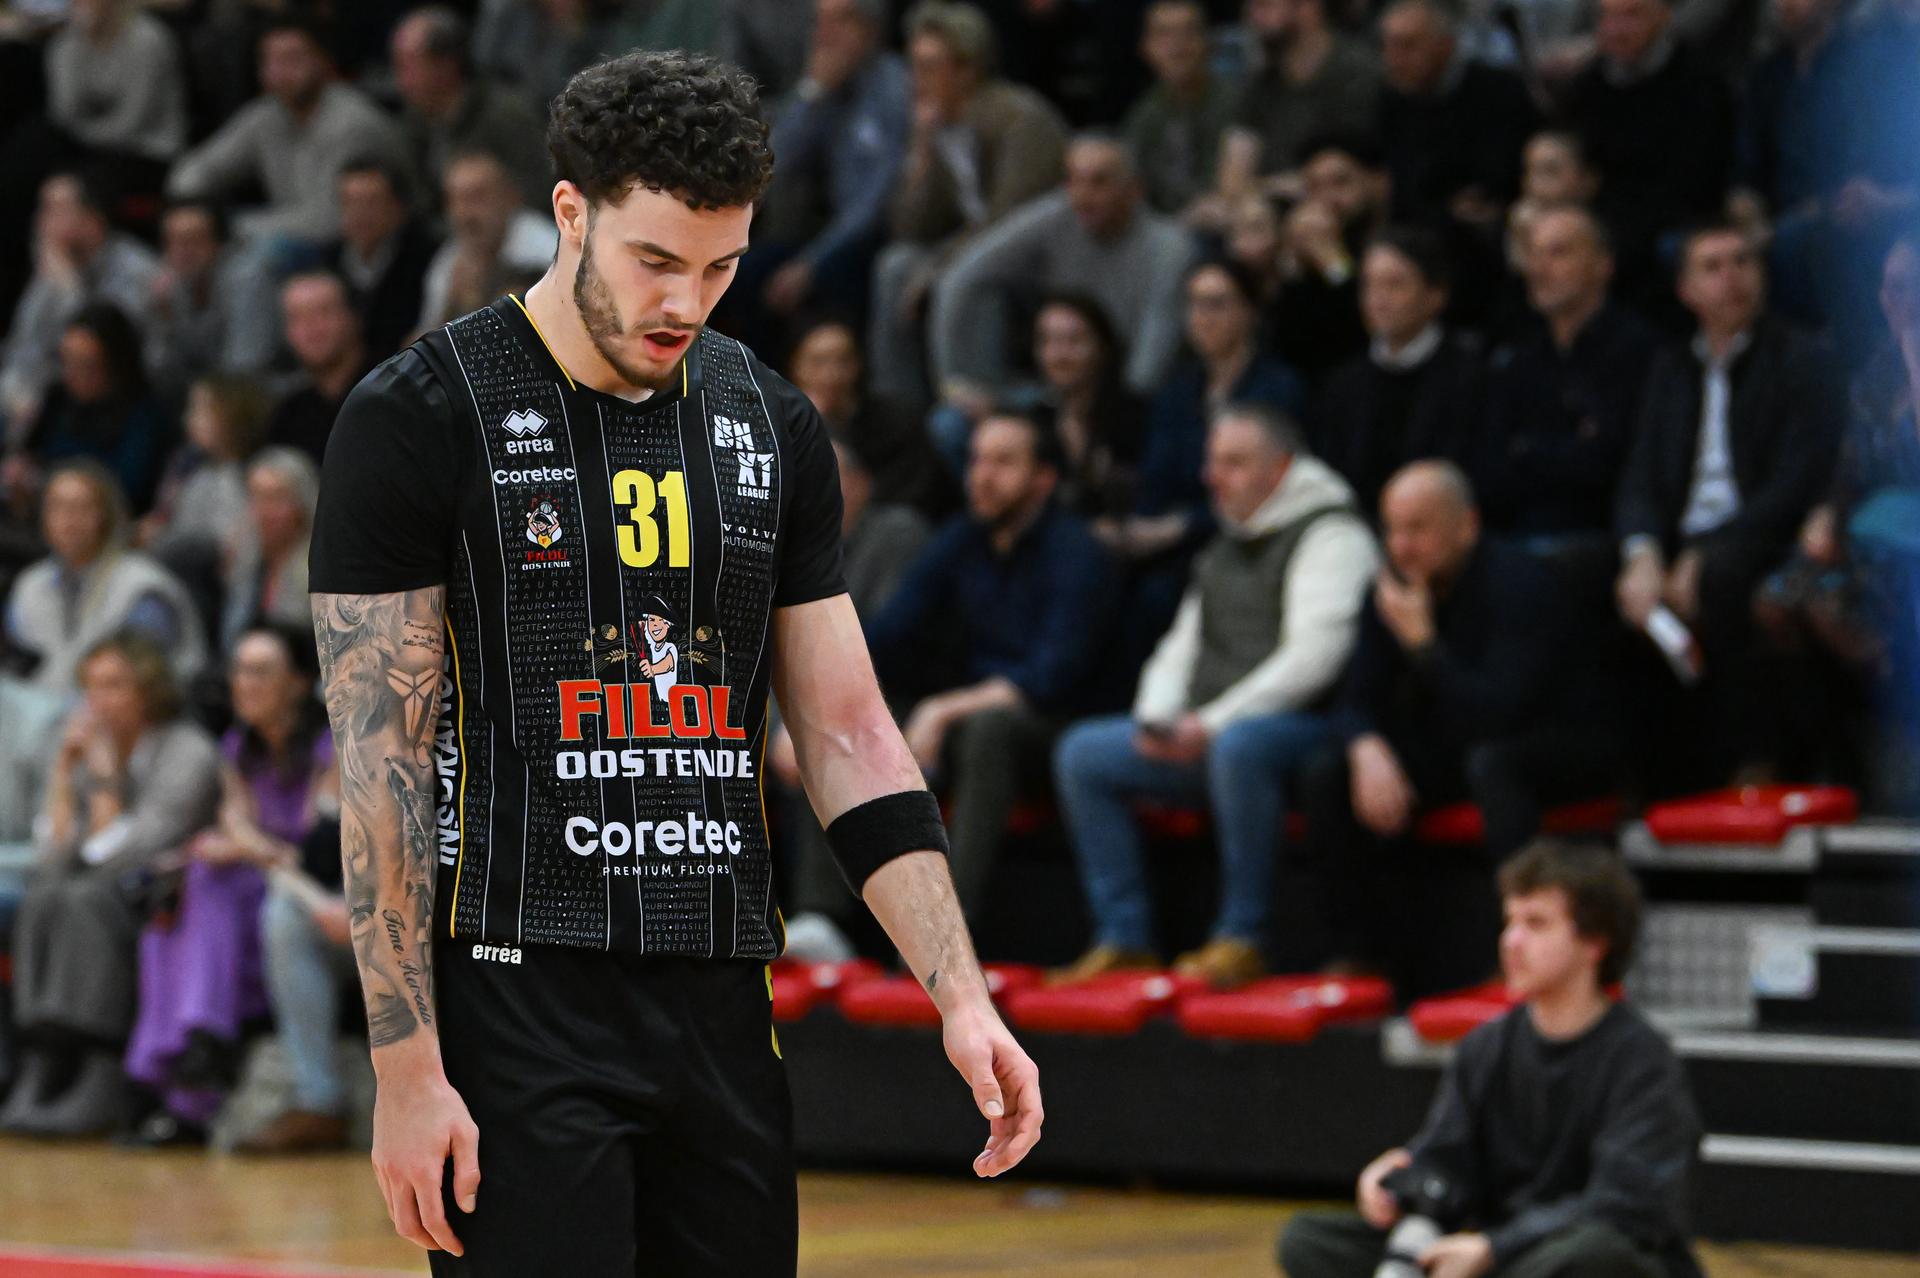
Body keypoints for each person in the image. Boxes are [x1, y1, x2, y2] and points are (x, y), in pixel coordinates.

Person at [306, 51, 1042, 1274]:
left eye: (720, 267)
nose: (684, 303)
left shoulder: (769, 422)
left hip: (716, 994)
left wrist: (962, 998)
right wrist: (404, 1068)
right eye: (655, 260)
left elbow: (852, 734)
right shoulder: (419, 414)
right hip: (517, 997)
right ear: (571, 213)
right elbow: (381, 766)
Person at [1052, 404, 1376, 988]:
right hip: (1213, 732)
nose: (1211, 476)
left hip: (1308, 733)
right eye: (1211, 460)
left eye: (1232, 462)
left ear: (1279, 470)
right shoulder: (1227, 542)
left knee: (1242, 748)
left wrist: (1213, 724)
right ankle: (1125, 937)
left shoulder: (1333, 534)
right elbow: (1181, 646)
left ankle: (1243, 935)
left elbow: (1316, 658)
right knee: (1084, 752)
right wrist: (1158, 720)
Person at [1278, 840, 1703, 1278]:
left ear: (1594, 942)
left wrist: (1495, 1248)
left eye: (1536, 924)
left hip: (1576, 1255)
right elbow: (1449, 1163)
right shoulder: (1486, 1046)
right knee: (1310, 1241)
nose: (1511, 942)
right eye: (1509, 922)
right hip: (1502, 1253)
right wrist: (1399, 1178)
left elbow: (1625, 1207)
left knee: (1592, 1256)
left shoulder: (1642, 1060)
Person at [1297, 463, 1620, 988]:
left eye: (1417, 529)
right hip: (1460, 744)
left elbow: (1497, 714)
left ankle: (1523, 953)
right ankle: (1358, 955)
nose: (1401, 546)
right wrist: (1365, 747)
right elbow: (1352, 699)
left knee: (1492, 764)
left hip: (1558, 744)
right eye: (1392, 530)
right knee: (1327, 773)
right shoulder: (1389, 590)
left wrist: (1424, 647)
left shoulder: (1522, 585)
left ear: (1466, 525)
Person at [867, 412, 1116, 916]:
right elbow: (889, 633)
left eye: (1003, 463)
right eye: (977, 459)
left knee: (989, 729)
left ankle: (950, 934)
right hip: (970, 713)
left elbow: (1051, 677)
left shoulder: (1079, 552)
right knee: (852, 719)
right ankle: (827, 920)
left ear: (1043, 479)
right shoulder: (963, 538)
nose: (981, 475)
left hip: (1060, 727)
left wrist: (942, 709)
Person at [1615, 224, 1839, 782]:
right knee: (1598, 586)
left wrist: (1708, 552)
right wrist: (1640, 554)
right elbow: (1640, 474)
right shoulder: (1670, 367)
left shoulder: (1801, 357)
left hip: (1761, 531)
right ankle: (1640, 777)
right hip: (1683, 536)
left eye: (1743, 262)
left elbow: (1797, 479)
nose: (1731, 277)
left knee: (1722, 578)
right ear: (1685, 289)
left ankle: (1754, 761)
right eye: (1712, 267)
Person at [0, 633, 221, 1137]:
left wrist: (103, 784)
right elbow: (52, 863)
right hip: (100, 899)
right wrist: (61, 777)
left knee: (83, 900)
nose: (97, 701)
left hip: (164, 901)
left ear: (149, 689)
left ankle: (100, 1067)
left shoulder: (187, 751)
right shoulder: (88, 749)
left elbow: (121, 862)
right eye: (90, 687)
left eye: (114, 685)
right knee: (45, 897)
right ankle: (45, 1056)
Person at [123, 622, 335, 1145]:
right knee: (174, 903)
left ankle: (189, 1076)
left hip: (311, 896)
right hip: (255, 896)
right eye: (239, 669)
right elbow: (238, 831)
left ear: (299, 682)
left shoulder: (331, 749)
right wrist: (229, 845)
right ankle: (195, 1057)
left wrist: (241, 845)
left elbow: (316, 858)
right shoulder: (238, 747)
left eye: (261, 671)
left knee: (209, 885)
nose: (245, 683)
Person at [769, 438, 934, 962]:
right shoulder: (781, 548)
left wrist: (803, 722)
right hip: (812, 708)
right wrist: (777, 725)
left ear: (858, 483)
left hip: (902, 702)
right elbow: (756, 650)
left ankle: (824, 919)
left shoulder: (896, 535)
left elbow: (885, 648)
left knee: (829, 745)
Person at [868, 0, 1069, 406]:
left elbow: (1007, 219)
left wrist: (938, 263)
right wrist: (922, 154)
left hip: (1039, 259)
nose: (916, 81)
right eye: (914, 66)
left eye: (928, 67)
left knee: (962, 276)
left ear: (966, 68)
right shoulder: (941, 125)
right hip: (974, 250)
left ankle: (972, 405)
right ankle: (900, 407)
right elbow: (909, 228)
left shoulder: (1021, 119)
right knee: (895, 265)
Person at [932, 134, 1198, 399]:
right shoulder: (1056, 216)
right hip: (1053, 387)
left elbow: (1151, 363)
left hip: (1125, 396)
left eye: (1099, 182)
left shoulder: (1169, 248)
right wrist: (955, 382)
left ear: (1134, 190)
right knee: (953, 423)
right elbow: (962, 277)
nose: (1083, 195)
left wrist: (1116, 417)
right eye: (1074, 181)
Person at [1475, 206, 1660, 565]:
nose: (1539, 269)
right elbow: (1494, 466)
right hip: (1520, 528)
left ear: (1603, 265)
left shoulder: (1641, 351)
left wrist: (1529, 451)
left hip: (1604, 533)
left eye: (1559, 252)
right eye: (1534, 254)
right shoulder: (1518, 357)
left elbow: (1612, 464)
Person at [165, 16, 409, 246]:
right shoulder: (266, 115)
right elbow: (196, 169)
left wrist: (229, 227)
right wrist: (194, 212)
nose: (279, 72)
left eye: (292, 59)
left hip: (359, 248)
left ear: (323, 61)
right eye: (269, 61)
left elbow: (328, 222)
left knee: (261, 256)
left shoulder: (352, 124)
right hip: (283, 235)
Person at [752, 0, 911, 325]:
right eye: (820, 21)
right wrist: (813, 93)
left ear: (870, 30)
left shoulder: (895, 89)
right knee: (743, 273)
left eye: (840, 22)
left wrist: (812, 263)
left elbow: (875, 204)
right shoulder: (827, 87)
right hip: (826, 235)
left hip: (872, 240)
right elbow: (774, 167)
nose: (824, 34)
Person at [1315, 228, 1484, 519]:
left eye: (1394, 285)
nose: (1378, 299)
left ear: (1435, 295)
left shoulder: (1470, 377)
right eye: (1370, 285)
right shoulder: (1344, 384)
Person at [5, 461, 206, 695]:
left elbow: (149, 688)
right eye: (57, 506)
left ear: (105, 516)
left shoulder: (143, 589)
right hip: (41, 722)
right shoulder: (29, 585)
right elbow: (13, 674)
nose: (69, 518)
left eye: (82, 507)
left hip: (134, 726)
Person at [0, 172, 162, 427]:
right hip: (53, 398)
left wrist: (67, 289)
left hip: (119, 406)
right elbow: (24, 346)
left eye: (56, 209)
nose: (42, 221)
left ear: (92, 218)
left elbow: (102, 351)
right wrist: (13, 393)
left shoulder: (138, 271)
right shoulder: (56, 266)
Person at [1377, 0, 1535, 229]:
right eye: (1388, 45)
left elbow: (1500, 178)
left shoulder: (1499, 92)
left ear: (1445, 45)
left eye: (1407, 45)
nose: (1393, 58)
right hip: (1414, 229)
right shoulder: (1393, 99)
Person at [787, 318, 955, 517]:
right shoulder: (782, 429)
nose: (831, 374)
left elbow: (915, 495)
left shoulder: (897, 419)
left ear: (858, 364)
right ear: (796, 368)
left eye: (843, 360)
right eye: (818, 362)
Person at [1215, 0, 1382, 197]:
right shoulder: (1261, 83)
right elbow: (1231, 179)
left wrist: (1256, 189)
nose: (1252, 18)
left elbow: (1342, 180)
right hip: (1264, 213)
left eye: (1265, 5)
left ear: (1309, 7)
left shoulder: (1357, 74)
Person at [390, 7, 549, 212]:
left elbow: (540, 193)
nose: (401, 81)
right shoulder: (414, 123)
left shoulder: (505, 116)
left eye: (408, 65)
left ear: (446, 64)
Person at [19, 304, 171, 514]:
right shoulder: (57, 396)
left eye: (85, 365)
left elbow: (125, 490)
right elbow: (29, 452)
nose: (70, 374)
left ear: (115, 365)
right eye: (65, 360)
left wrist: (43, 481)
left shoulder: (145, 416)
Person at [1123, 0, 1242, 218]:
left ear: (1209, 42)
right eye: (1164, 34)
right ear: (1145, 48)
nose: (1178, 44)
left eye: (1190, 31)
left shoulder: (1240, 105)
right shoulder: (1143, 117)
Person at [416, 151, 557, 334]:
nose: (465, 213)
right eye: (455, 200)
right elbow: (424, 340)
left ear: (510, 197)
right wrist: (452, 304)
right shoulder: (448, 261)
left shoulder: (547, 250)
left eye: (477, 197)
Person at [323, 161, 440, 362]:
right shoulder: (328, 259)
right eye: (350, 202)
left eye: (371, 202)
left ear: (398, 207)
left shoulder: (426, 258)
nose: (359, 213)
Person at [221, 448, 320, 653]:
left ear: (302, 506)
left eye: (276, 498)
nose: (264, 511)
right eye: (257, 497)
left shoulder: (319, 569)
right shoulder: (245, 560)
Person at [264, 272, 368, 465]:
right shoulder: (289, 416)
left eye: (323, 312)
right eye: (297, 318)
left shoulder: (392, 391)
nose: (311, 327)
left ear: (354, 318)